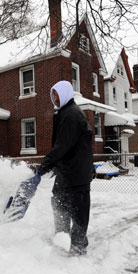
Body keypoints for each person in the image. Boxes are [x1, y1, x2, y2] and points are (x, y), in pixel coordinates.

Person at [38, 80, 94, 256]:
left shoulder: (71, 115)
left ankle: (78, 245)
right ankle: (62, 238)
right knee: (59, 202)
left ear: (65, 94)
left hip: (76, 173)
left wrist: (44, 166)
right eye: (52, 95)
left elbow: (62, 147)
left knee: (78, 210)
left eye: (57, 94)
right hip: (67, 172)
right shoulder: (65, 113)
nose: (54, 98)